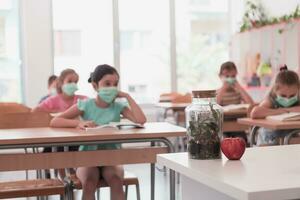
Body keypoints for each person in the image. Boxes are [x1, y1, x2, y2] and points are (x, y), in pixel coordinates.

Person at [50, 64, 146, 200]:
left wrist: (127, 96)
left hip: (111, 158)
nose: (112, 87)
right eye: (107, 83)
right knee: (89, 184)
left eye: (115, 84)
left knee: (116, 182)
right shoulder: (85, 104)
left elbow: (141, 120)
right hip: (88, 158)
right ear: (95, 86)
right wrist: (79, 123)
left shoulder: (119, 107)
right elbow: (55, 121)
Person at [251, 65, 300, 146]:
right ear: (275, 90)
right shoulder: (271, 100)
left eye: (292, 96)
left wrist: (287, 110)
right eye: (283, 96)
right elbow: (255, 113)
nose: (287, 99)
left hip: (293, 140)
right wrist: (281, 111)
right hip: (269, 141)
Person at [216, 61, 254, 143]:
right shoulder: (218, 92)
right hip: (223, 125)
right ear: (220, 77)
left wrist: (240, 88)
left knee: (241, 141)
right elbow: (215, 105)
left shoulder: (238, 92)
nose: (230, 79)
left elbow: (251, 104)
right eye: (227, 76)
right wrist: (223, 88)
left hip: (238, 124)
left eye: (233, 76)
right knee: (223, 141)